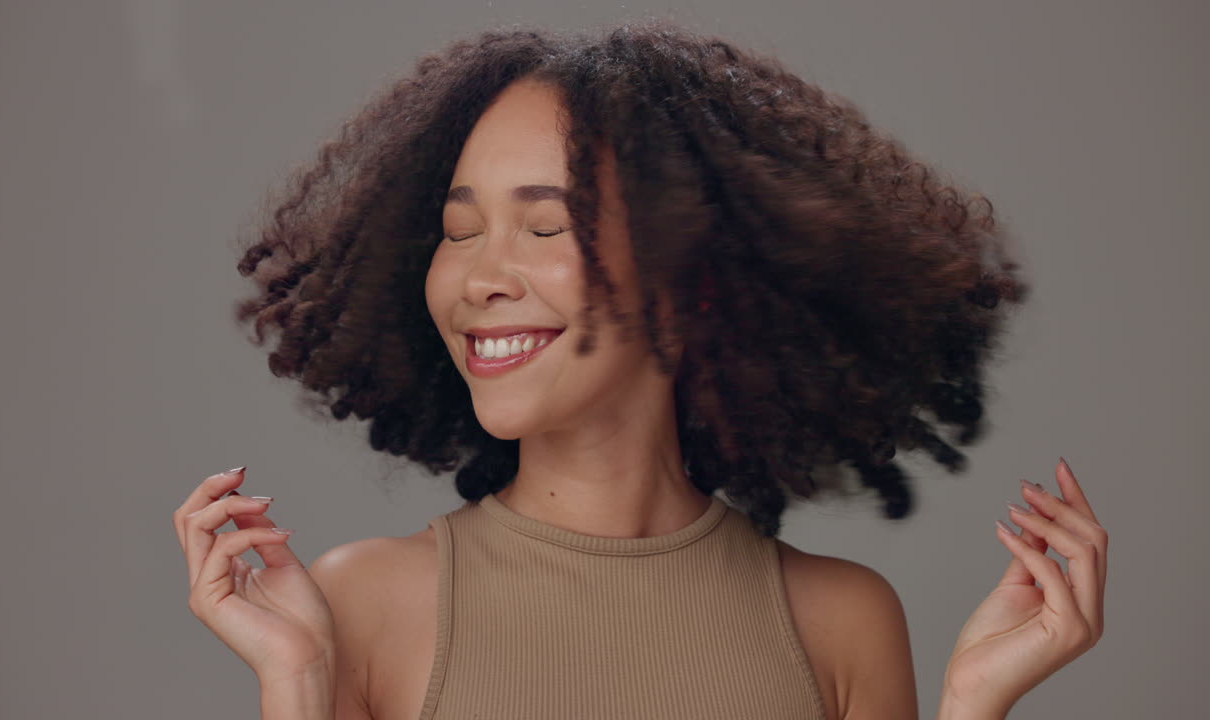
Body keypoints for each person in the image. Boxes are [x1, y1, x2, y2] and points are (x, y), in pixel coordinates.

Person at [172, 19, 1108, 720]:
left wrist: (973, 705)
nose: (480, 278)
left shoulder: (843, 622)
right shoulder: (365, 604)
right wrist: (295, 683)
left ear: (687, 279)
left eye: (545, 228)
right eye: (459, 233)